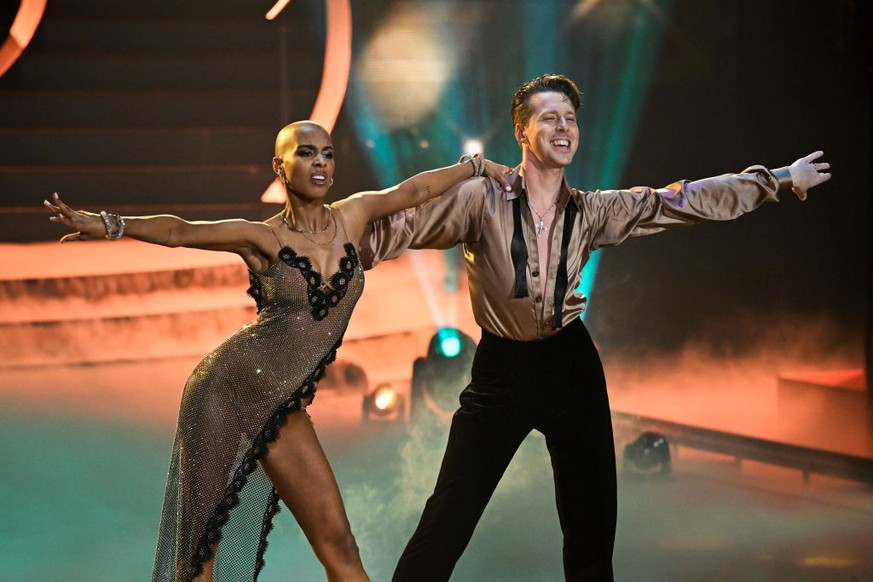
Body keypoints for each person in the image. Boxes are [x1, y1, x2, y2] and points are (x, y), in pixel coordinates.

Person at [358, 74, 831, 581]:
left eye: (570, 118)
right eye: (549, 118)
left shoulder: (592, 210)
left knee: (591, 532)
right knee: (448, 518)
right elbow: (401, 225)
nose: (563, 128)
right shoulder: (481, 199)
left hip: (571, 367)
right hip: (503, 373)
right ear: (521, 131)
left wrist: (777, 179)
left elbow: (680, 200)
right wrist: (330, 253)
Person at [43, 120, 513, 582]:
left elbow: (414, 191)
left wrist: (475, 167)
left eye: (327, 153)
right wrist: (110, 224)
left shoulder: (355, 214)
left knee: (339, 544)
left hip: (280, 403)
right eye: (306, 153)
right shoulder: (262, 237)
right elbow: (180, 231)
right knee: (199, 556)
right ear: (280, 166)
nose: (321, 162)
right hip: (222, 391)